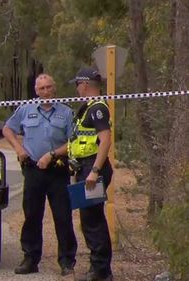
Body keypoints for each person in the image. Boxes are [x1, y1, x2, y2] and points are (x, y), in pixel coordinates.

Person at [3, 74, 77, 277]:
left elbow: (74, 142)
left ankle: (66, 261)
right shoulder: (26, 110)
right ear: (36, 91)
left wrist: (52, 154)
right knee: (32, 216)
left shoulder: (66, 113)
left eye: (49, 87)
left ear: (55, 89)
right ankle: (30, 258)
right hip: (33, 169)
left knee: (62, 216)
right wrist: (18, 149)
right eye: (41, 88)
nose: (45, 91)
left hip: (58, 170)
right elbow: (8, 129)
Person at [68, 67, 114, 281]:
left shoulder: (97, 108)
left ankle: (101, 270)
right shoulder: (87, 108)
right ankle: (98, 267)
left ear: (85, 85)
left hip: (94, 169)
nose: (77, 89)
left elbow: (105, 140)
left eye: (78, 84)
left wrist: (94, 171)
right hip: (85, 168)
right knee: (89, 219)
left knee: (93, 220)